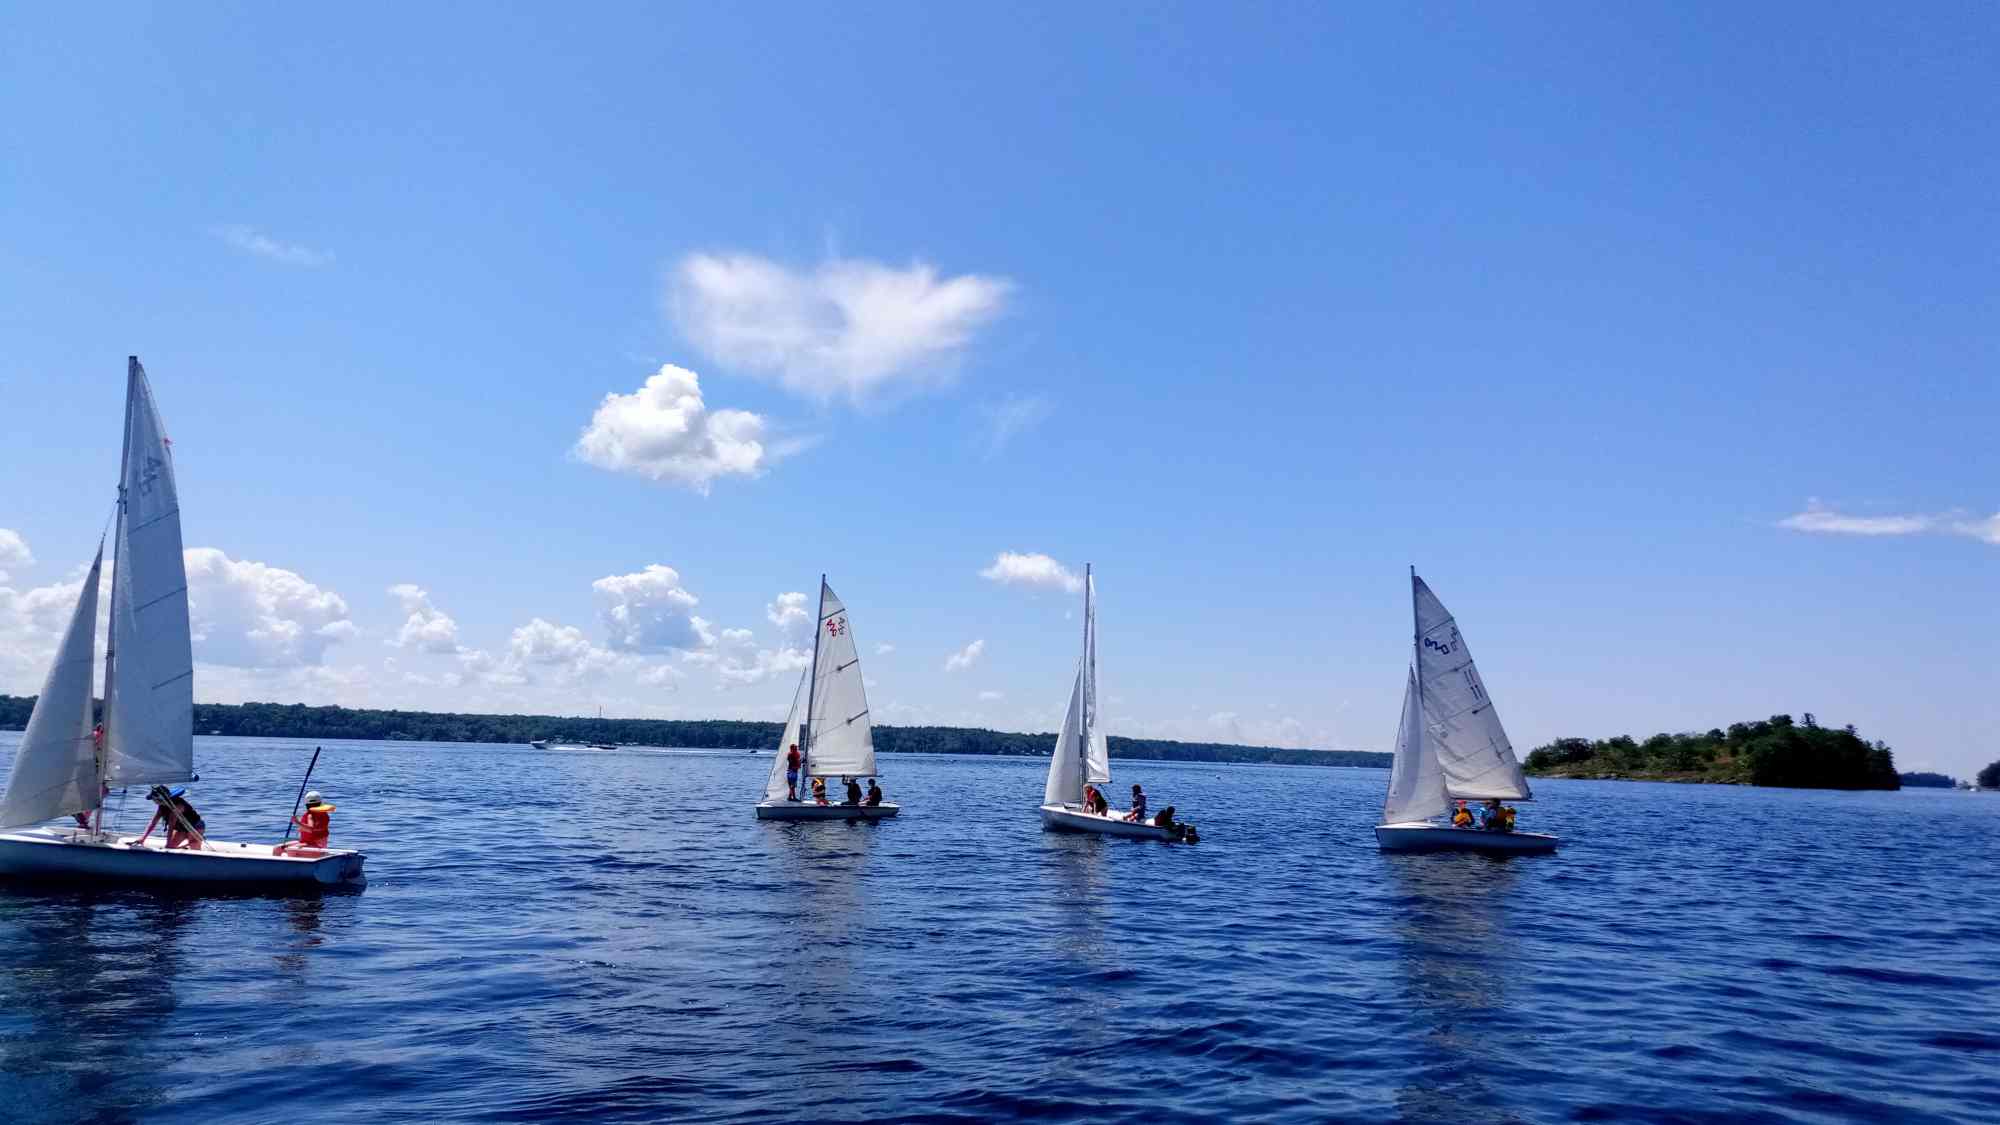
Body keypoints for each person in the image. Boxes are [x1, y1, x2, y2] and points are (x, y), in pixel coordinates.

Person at [136, 786, 204, 850]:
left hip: (194, 827)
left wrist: (168, 844)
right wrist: (143, 838)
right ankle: (182, 847)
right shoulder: (162, 806)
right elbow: (153, 823)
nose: (153, 800)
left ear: (159, 799)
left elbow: (171, 827)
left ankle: (192, 844)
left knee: (194, 848)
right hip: (181, 829)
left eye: (153, 799)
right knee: (171, 847)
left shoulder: (177, 806)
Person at [275, 791, 336, 855]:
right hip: (309, 843)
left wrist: (297, 822)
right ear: (320, 802)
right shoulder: (323, 814)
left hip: (315, 846)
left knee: (291, 850)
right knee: (278, 848)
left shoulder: (310, 815)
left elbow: (311, 829)